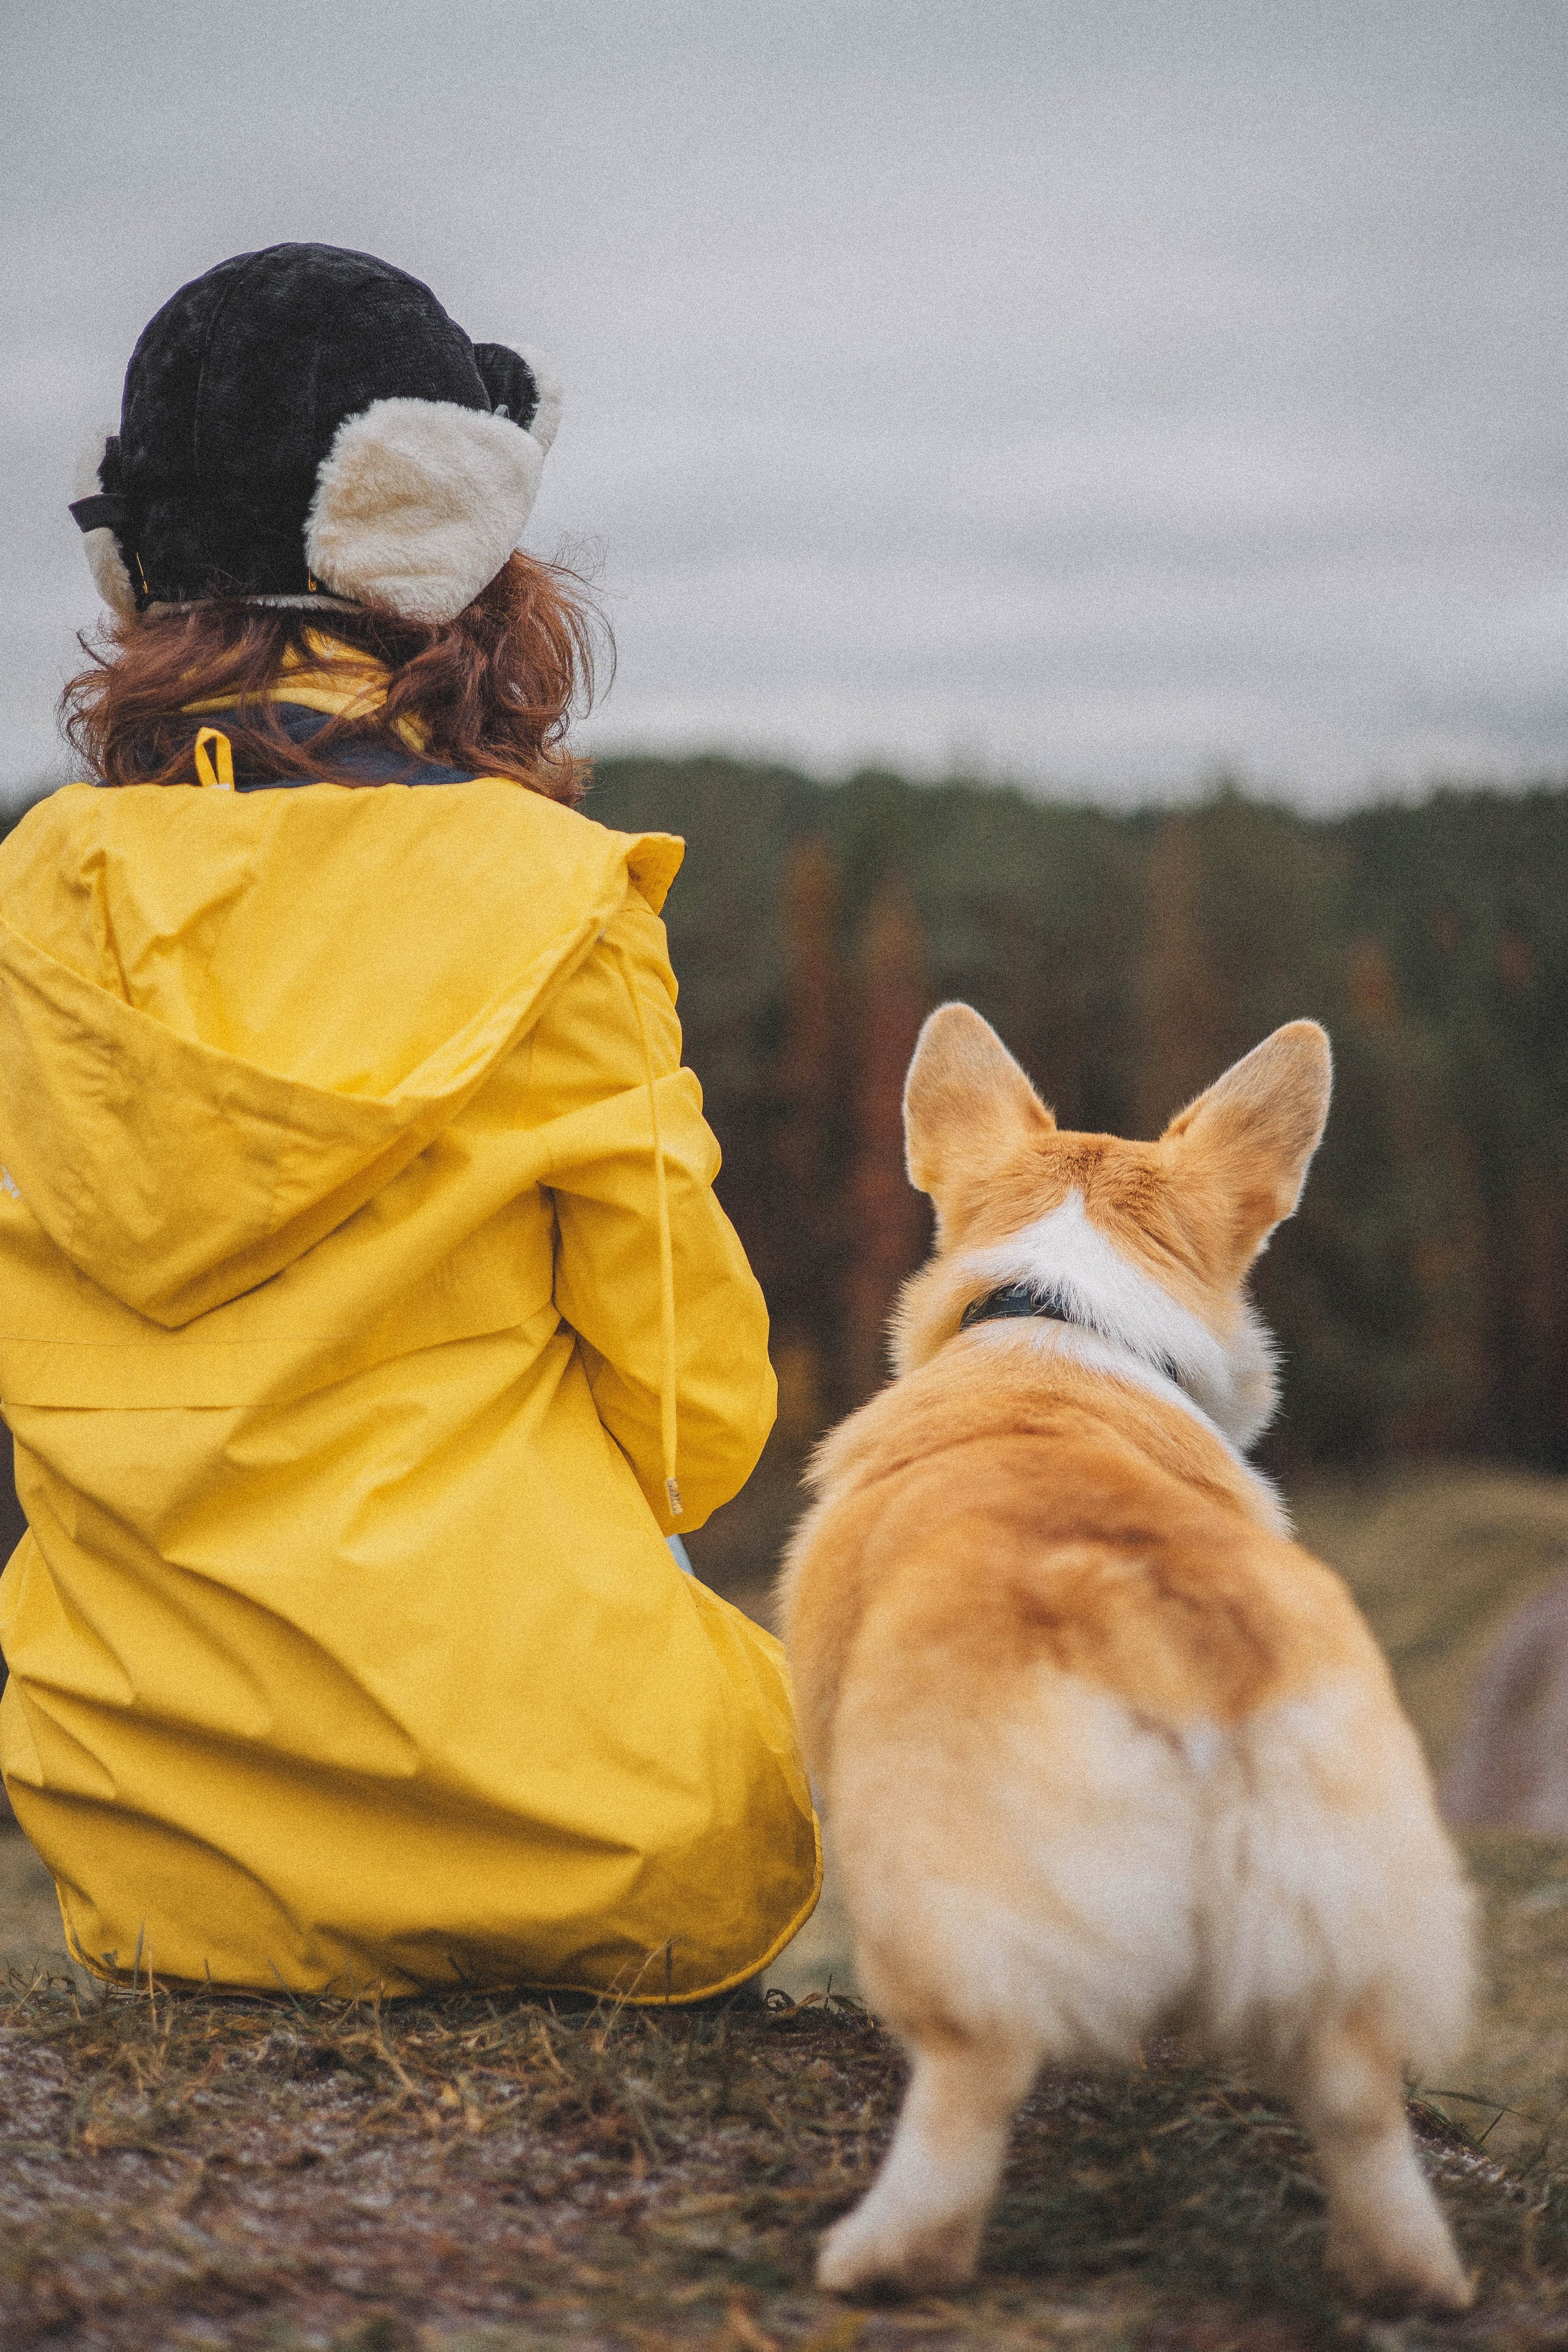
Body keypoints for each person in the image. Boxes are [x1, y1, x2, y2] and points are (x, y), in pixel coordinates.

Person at [0, 244, 820, 2000]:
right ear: (446, 537)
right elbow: (696, 1421)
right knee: (784, 1724)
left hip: (153, 1866)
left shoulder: (35, 899)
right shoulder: (555, 896)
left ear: (133, 566)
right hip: (589, 1848)